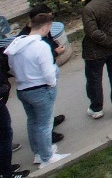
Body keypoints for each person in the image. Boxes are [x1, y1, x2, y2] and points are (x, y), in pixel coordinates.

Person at [6, 12, 69, 168]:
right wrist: (52, 84)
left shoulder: (16, 43)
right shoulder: (41, 46)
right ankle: (47, 157)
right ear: (46, 26)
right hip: (40, 89)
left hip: (23, 89)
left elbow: (11, 67)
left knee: (33, 122)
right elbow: (48, 72)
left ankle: (39, 153)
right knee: (45, 125)